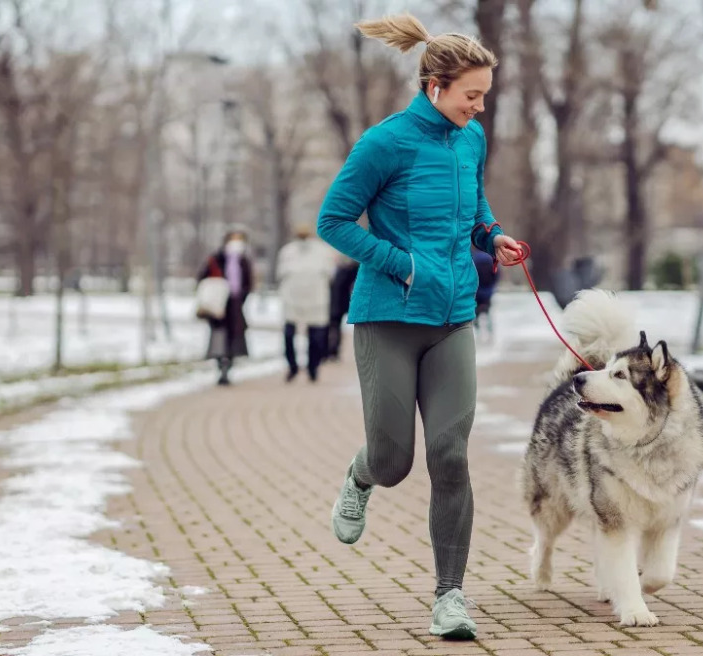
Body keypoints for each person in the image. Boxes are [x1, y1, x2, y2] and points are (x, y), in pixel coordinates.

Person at [315, 13, 522, 641]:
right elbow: (334, 221)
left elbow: (474, 204)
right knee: (395, 458)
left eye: (484, 95)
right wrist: (402, 264)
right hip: (389, 318)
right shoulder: (384, 143)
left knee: (450, 456)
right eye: (472, 94)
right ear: (435, 85)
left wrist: (492, 234)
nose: (480, 107)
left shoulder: (470, 140)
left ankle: (450, 597)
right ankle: (361, 474)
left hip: (455, 316)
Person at [276, 223, 337, 382]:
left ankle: (313, 367)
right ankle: (293, 366)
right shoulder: (287, 251)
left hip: (316, 297)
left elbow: (330, 274)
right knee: (289, 334)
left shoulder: (323, 251)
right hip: (292, 297)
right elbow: (280, 273)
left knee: (316, 336)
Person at [196, 228, 254, 386]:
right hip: (218, 307)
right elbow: (202, 278)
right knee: (219, 338)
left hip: (235, 305)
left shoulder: (243, 261)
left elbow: (248, 283)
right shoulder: (216, 259)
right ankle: (221, 367)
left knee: (234, 338)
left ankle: (228, 367)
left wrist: (242, 297)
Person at [326, 255, 360, 362]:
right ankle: (329, 351)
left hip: (338, 304)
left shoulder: (349, 270)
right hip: (331, 303)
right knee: (330, 327)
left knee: (334, 326)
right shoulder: (337, 271)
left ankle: (333, 351)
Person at [471, 247, 498, 342]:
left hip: (476, 291)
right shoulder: (491, 259)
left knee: (476, 312)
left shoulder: (474, 258)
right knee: (488, 312)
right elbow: (496, 274)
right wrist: (492, 287)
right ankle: (490, 332)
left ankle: (477, 331)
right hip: (488, 291)